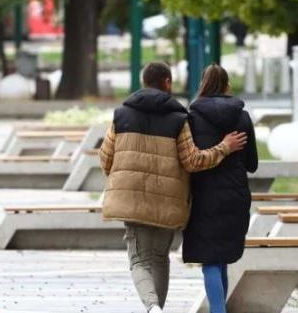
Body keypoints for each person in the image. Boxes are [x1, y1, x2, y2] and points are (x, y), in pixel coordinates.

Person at [98, 62, 247, 313]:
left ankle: (153, 307)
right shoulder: (179, 119)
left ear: (144, 81)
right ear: (167, 82)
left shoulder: (121, 116)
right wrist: (224, 147)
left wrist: (122, 182)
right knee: (159, 259)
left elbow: (105, 158)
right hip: (169, 203)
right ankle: (157, 307)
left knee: (139, 261)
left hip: (132, 202)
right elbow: (193, 161)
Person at [182, 64, 258, 313]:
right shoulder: (242, 117)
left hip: (204, 194)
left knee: (210, 259)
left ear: (203, 84)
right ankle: (219, 309)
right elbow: (252, 164)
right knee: (222, 257)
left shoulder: (191, 118)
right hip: (235, 194)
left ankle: (218, 310)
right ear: (227, 85)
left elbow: (188, 159)